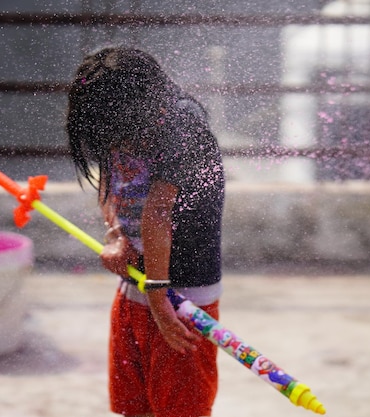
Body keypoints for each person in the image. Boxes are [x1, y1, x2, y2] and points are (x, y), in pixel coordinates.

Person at [67, 46, 225, 417]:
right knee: (133, 408)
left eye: (122, 136)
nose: (118, 146)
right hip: (135, 291)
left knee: (180, 410)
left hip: (183, 302)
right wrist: (116, 234)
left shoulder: (184, 127)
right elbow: (110, 184)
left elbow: (157, 212)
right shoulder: (113, 121)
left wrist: (158, 297)